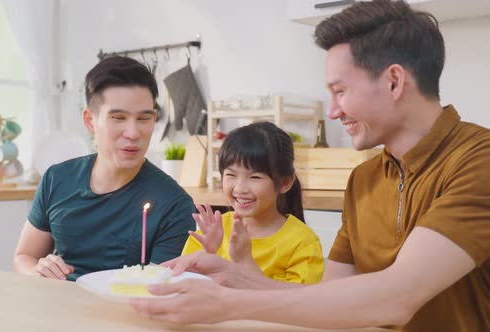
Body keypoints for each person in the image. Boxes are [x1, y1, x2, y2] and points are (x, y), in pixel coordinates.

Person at [131, 1, 490, 330]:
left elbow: (398, 297)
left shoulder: (479, 160)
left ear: (394, 81)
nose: (333, 111)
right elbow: (330, 298)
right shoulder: (364, 179)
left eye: (341, 91)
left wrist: (228, 303)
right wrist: (233, 277)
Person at [13, 56, 196, 281]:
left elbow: (159, 289)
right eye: (118, 118)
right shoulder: (56, 178)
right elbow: (24, 256)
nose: (133, 132)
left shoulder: (175, 205)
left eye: (143, 119)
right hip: (56, 308)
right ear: (90, 121)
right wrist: (38, 270)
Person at [182, 122, 323, 284]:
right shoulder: (212, 231)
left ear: (284, 183)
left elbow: (296, 304)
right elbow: (185, 288)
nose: (240, 188)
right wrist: (208, 254)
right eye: (231, 175)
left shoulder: (302, 243)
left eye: (255, 177)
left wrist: (245, 262)